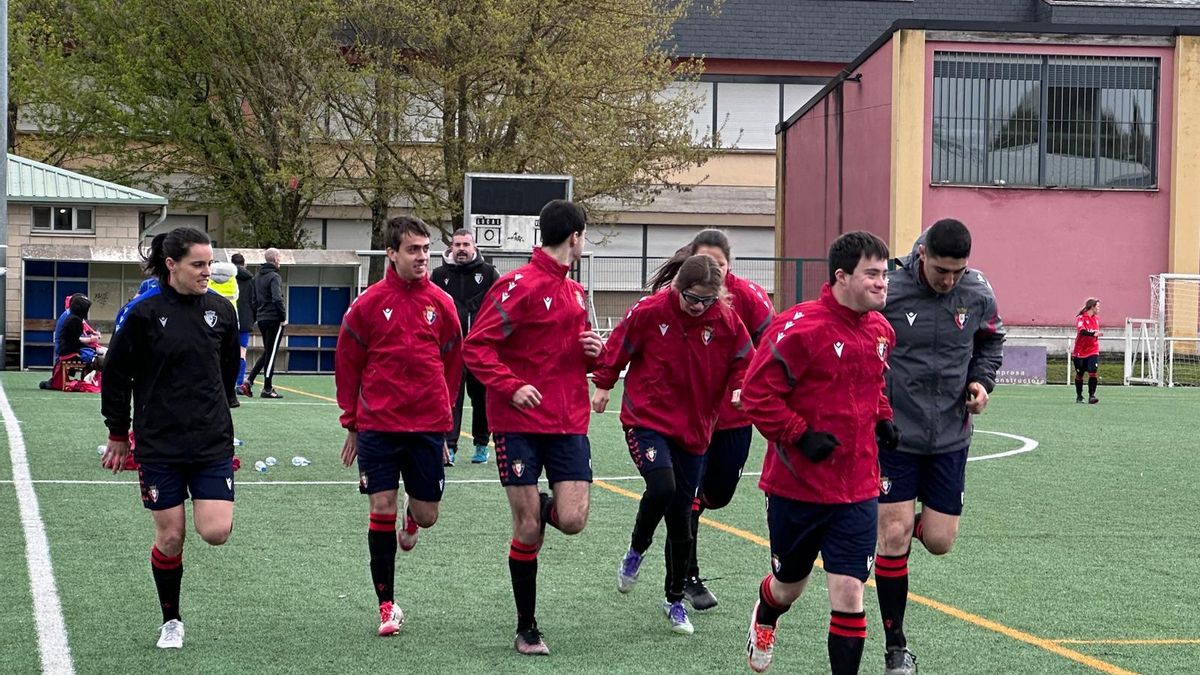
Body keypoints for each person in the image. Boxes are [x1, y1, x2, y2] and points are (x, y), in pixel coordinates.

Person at [740, 231, 896, 675]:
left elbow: (875, 384)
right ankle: (766, 613)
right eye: (872, 274)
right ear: (841, 277)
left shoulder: (881, 332)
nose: (881, 283)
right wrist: (799, 434)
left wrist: (883, 418)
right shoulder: (799, 328)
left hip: (859, 489)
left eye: (884, 274)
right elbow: (755, 395)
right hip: (797, 487)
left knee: (850, 592)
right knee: (790, 586)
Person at [463, 199, 604, 656]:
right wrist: (512, 386)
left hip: (567, 423)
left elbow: (573, 356)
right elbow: (477, 348)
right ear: (576, 236)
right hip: (517, 424)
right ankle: (527, 628)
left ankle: (542, 505)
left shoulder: (576, 293)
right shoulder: (516, 285)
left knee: (573, 520)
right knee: (527, 530)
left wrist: (592, 352)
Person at [593, 254, 753, 635]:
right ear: (678, 289)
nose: (698, 307)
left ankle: (674, 599)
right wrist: (603, 383)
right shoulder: (649, 311)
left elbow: (746, 359)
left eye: (706, 301)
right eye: (692, 299)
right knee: (662, 486)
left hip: (696, 428)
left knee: (683, 515)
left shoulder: (726, 320)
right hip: (647, 419)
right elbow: (619, 346)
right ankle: (636, 551)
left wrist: (740, 386)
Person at [873, 218, 1005, 675]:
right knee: (892, 537)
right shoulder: (889, 289)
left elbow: (991, 342)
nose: (949, 280)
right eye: (941, 270)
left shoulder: (977, 292)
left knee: (939, 541)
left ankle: (891, 518)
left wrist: (981, 382)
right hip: (894, 434)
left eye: (957, 271)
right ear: (923, 254)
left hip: (950, 436)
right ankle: (895, 646)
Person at [99, 226, 241, 650]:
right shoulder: (142, 312)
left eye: (210, 263)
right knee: (171, 537)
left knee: (216, 532)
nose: (207, 272)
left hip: (211, 439)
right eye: (198, 265)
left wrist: (221, 403)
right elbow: (116, 375)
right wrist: (118, 433)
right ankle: (171, 620)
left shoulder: (221, 310)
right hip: (159, 442)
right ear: (171, 265)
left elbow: (227, 367)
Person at [335, 216, 463, 637]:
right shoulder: (368, 304)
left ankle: (413, 519)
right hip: (378, 427)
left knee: (427, 516)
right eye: (413, 249)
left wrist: (447, 427)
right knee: (379, 509)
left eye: (426, 249)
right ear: (391, 253)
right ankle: (387, 605)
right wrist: (352, 423)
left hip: (427, 425)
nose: (422, 257)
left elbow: (452, 366)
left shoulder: (442, 304)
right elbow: (348, 366)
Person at [645, 228, 775, 611]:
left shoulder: (747, 297)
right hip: (687, 419)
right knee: (687, 500)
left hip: (733, 418)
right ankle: (685, 577)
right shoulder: (673, 302)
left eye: (719, 265)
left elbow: (772, 343)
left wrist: (750, 383)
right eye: (703, 264)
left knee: (717, 495)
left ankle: (686, 532)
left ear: (729, 266)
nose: (711, 274)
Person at [431, 228, 500, 465]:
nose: (461, 249)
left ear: (474, 248)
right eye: (457, 244)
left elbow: (500, 309)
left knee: (482, 398)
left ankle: (481, 445)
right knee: (451, 397)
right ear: (451, 247)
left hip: (481, 349)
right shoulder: (439, 275)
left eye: (465, 245)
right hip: (450, 351)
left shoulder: (489, 273)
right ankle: (449, 447)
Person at [240, 247, 286, 399]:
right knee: (271, 353)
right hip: (274, 319)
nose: (280, 261)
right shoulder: (274, 277)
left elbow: (253, 300)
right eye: (279, 258)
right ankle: (267, 388)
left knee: (268, 351)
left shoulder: (257, 277)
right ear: (275, 260)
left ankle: (249, 381)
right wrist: (283, 316)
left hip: (262, 318)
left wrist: (257, 315)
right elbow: (277, 298)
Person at [208, 262, 240, 407]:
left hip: (210, 321)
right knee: (231, 359)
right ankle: (231, 395)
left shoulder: (209, 279)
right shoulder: (233, 279)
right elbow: (236, 296)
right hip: (230, 320)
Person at [231, 253, 256, 392]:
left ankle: (226, 382)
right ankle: (239, 384)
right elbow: (254, 301)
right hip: (245, 321)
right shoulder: (250, 279)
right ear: (244, 263)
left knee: (225, 353)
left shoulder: (227, 278)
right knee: (241, 352)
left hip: (229, 320)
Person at [1073, 298, 1101, 404]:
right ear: (1092, 307)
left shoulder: (1096, 319)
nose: (1099, 309)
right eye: (1097, 306)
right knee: (1080, 374)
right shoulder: (1081, 318)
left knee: (1093, 371)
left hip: (1093, 350)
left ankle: (1092, 396)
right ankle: (1079, 396)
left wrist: (1095, 336)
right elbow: (1082, 331)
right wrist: (1093, 334)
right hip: (1080, 351)